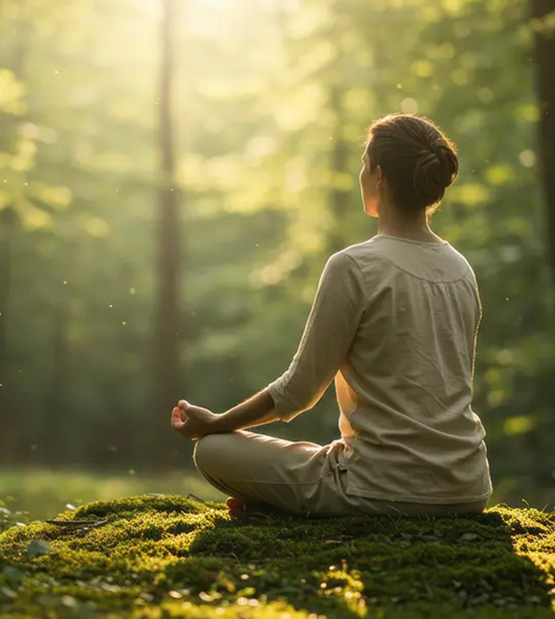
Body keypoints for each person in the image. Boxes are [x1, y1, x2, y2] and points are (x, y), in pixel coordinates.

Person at [169, 114, 492, 518]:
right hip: (468, 487)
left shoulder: (354, 266)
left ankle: (289, 504)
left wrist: (216, 423)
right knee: (317, 457)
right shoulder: (460, 268)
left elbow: (298, 392)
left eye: (364, 163)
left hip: (380, 489)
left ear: (378, 176)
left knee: (213, 451)